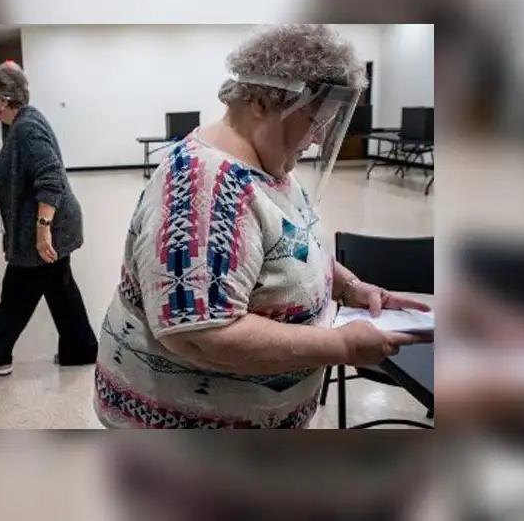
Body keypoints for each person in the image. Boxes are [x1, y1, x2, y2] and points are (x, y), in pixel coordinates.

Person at [93, 25, 432, 428]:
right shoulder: (203, 186)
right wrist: (339, 345)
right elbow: (199, 332)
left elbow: (293, 245)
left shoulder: (269, 165)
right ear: (260, 101)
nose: (320, 139)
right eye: (315, 119)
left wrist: (349, 289)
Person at [0, 62, 99, 377]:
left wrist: (42, 233)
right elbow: (22, 169)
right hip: (56, 222)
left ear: (0, 99)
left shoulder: (26, 128)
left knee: (16, 293)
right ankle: (81, 348)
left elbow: (50, 177)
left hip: (45, 226)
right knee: (60, 288)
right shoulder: (26, 121)